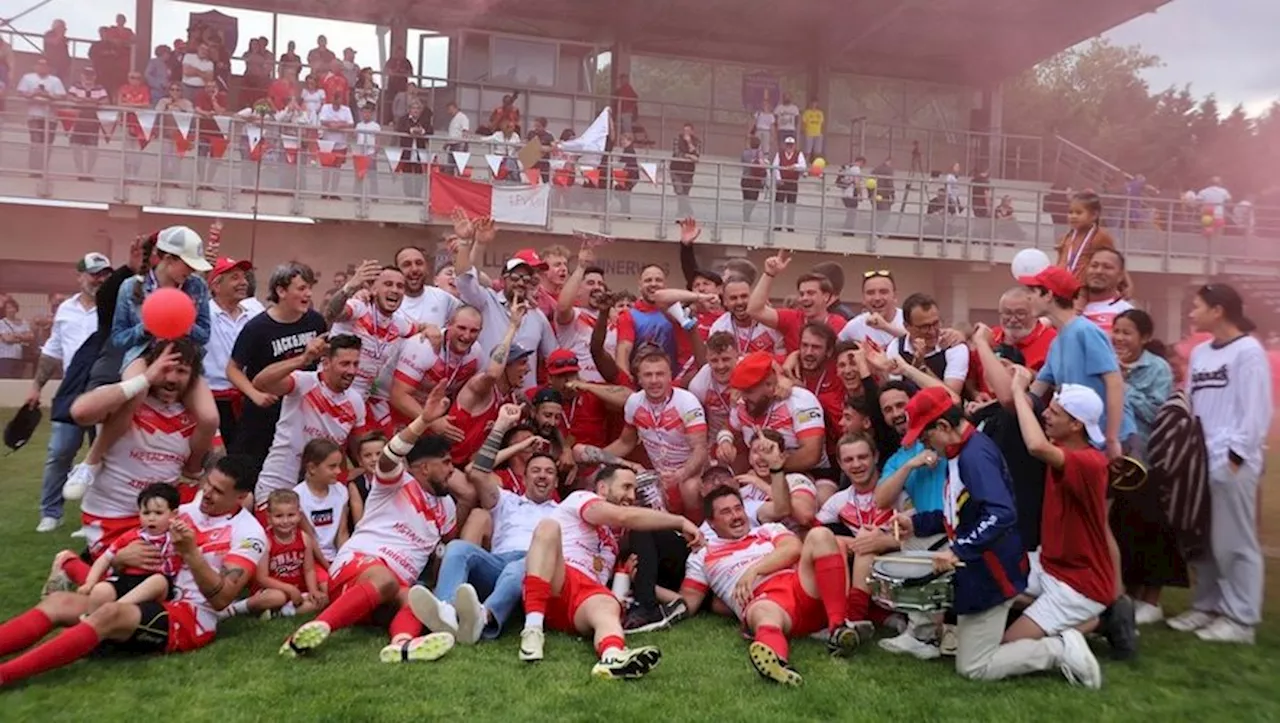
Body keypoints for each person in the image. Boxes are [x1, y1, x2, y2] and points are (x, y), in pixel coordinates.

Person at [893, 387, 1100, 688]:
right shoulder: (961, 450)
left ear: (943, 427)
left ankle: (1059, 649)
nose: (925, 445)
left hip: (991, 572)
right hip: (981, 568)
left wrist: (959, 550)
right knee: (969, 650)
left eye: (925, 438)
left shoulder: (973, 456)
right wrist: (919, 524)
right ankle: (924, 635)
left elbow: (1001, 513)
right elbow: (963, 512)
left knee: (973, 667)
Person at [0, 456, 264, 686]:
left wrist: (192, 555)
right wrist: (121, 558)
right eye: (207, 483)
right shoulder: (184, 510)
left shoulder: (249, 534)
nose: (206, 492)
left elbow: (221, 600)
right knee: (59, 601)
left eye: (218, 491)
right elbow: (132, 541)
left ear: (240, 497)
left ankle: (5, 675)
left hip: (190, 615)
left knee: (109, 613)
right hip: (145, 590)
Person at [279, 383, 458, 663]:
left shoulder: (447, 507)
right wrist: (424, 420)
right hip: (358, 568)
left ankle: (402, 645)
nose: (451, 469)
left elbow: (443, 552)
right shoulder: (397, 483)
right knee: (385, 579)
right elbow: (389, 456)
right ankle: (310, 631)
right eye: (446, 463)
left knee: (418, 598)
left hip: (385, 594)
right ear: (424, 467)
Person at [517, 464, 704, 678]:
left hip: (586, 596)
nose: (632, 495)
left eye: (634, 490)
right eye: (625, 487)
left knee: (607, 605)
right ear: (603, 488)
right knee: (547, 527)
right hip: (558, 576)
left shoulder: (615, 536)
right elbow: (624, 516)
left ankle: (612, 655)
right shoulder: (581, 499)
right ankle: (532, 630)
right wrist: (679, 521)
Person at [677, 485, 874, 687]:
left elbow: (793, 548)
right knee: (763, 611)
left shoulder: (768, 529)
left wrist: (755, 570)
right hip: (765, 600)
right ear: (711, 522)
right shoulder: (701, 555)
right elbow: (688, 601)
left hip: (799, 586)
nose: (736, 516)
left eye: (738, 508)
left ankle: (837, 628)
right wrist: (651, 593)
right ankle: (777, 664)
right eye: (726, 512)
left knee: (821, 535)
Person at [1169, 284, 1272, 644]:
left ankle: (1241, 618)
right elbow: (1192, 402)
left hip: (1231, 460)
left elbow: (1257, 410)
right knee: (1203, 539)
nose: (1191, 313)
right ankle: (1208, 604)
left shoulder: (1248, 352)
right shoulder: (1200, 353)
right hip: (1200, 457)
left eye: (1197, 307)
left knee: (1235, 541)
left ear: (1219, 310)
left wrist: (1237, 456)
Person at [409, 403, 560, 643]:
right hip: (497, 563)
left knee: (520, 565)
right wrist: (500, 427)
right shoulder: (508, 501)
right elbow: (477, 472)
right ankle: (446, 611)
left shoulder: (563, 511)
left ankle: (484, 617)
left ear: (556, 481)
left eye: (549, 472)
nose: (542, 475)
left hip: (533, 569)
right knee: (457, 548)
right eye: (536, 471)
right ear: (524, 476)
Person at [1009, 372, 1117, 667]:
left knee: (1009, 646)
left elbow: (1036, 445)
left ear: (1076, 424)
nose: (1045, 414)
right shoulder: (1068, 450)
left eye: (1054, 411)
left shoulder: (1089, 462)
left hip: (1078, 584)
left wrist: (1019, 392)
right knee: (990, 577)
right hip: (1049, 566)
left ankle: (1096, 623)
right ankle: (1093, 620)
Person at [1107, 309, 1182, 625]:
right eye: (1117, 331)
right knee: (1123, 529)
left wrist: (1123, 386)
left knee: (1150, 528)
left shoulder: (1158, 368)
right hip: (1116, 460)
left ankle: (1151, 600)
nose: (1120, 338)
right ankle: (1128, 594)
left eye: (1128, 332)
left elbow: (1158, 412)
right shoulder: (1107, 363)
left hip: (1148, 460)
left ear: (1145, 337)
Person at [32, 253, 114, 532]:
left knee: (103, 456)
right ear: (80, 277)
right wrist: (36, 387)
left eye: (105, 273)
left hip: (105, 389)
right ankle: (51, 512)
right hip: (72, 390)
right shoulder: (65, 310)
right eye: (94, 273)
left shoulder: (114, 308)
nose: (100, 279)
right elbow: (53, 350)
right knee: (61, 451)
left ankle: (94, 518)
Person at [227, 262, 328, 465]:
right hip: (264, 411)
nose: (308, 294)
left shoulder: (315, 321)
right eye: (301, 288)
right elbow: (233, 369)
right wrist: (254, 394)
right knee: (250, 467)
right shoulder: (257, 327)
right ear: (281, 291)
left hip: (301, 412)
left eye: (310, 288)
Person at [252, 334, 367, 504]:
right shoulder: (303, 382)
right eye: (344, 364)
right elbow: (260, 383)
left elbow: (361, 451)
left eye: (355, 364)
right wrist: (303, 359)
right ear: (326, 363)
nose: (351, 371)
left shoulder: (356, 402)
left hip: (320, 493)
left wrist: (348, 476)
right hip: (279, 482)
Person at [605, 350, 709, 518]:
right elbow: (626, 442)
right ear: (639, 379)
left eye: (659, 374)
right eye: (648, 375)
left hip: (691, 472)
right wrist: (598, 460)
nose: (654, 381)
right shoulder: (633, 403)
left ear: (670, 376)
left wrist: (681, 474)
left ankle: (697, 536)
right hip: (658, 474)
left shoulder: (687, 402)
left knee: (689, 488)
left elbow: (700, 449)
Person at [454, 222, 557, 390]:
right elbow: (465, 281)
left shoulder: (538, 316)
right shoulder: (486, 302)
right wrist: (468, 243)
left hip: (523, 400)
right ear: (502, 280)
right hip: (486, 395)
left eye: (526, 279)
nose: (520, 283)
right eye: (515, 277)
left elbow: (553, 356)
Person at [325, 262, 415, 431]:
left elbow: (421, 329)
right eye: (388, 284)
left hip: (359, 405)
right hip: (329, 398)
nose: (395, 290)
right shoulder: (359, 307)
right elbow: (331, 313)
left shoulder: (399, 324)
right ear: (373, 289)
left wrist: (431, 330)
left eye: (400, 286)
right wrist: (350, 287)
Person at [75, 483, 183, 612]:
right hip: (128, 580)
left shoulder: (178, 536)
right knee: (100, 590)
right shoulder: (131, 536)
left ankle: (111, 611)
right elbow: (105, 558)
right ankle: (91, 623)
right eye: (146, 513)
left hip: (158, 585)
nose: (151, 518)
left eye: (158, 513)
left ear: (174, 514)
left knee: (158, 581)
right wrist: (90, 583)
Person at [223, 489, 325, 619]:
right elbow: (262, 578)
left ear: (299, 515)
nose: (285, 521)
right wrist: (289, 589)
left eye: (291, 515)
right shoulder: (266, 541)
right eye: (279, 516)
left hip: (298, 589)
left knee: (322, 599)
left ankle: (282, 612)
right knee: (278, 597)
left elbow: (309, 569)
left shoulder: (304, 538)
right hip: (271, 590)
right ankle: (236, 608)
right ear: (269, 518)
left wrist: (313, 590)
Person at [391, 305, 484, 424]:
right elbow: (398, 396)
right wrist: (432, 423)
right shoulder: (423, 346)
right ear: (449, 324)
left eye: (474, 331)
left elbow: (467, 394)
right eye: (461, 328)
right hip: (398, 411)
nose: (466, 336)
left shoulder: (476, 354)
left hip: (433, 415)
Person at [203, 257, 259, 449]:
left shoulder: (254, 315)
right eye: (235, 278)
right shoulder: (204, 315)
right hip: (213, 399)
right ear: (216, 285)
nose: (244, 282)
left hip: (247, 398)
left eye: (244, 277)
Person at [747, 251, 844, 354]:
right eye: (802, 294)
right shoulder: (792, 319)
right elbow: (754, 310)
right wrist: (769, 274)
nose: (804, 298)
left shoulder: (840, 324)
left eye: (810, 293)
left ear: (826, 296)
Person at [884, 293, 969, 395]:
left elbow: (951, 397)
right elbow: (895, 394)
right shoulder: (896, 346)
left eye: (936, 323)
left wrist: (922, 368)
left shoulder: (954, 347)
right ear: (907, 326)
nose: (932, 331)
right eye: (924, 327)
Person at [294, 438, 351, 564]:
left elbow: (342, 533)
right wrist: (328, 567)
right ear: (312, 468)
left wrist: (343, 561)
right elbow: (310, 539)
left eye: (339, 465)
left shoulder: (341, 491)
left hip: (336, 557)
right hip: (311, 559)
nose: (338, 471)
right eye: (332, 467)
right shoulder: (297, 496)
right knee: (328, 584)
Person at [16, 56, 68, 173]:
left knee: (47, 143)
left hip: (51, 117)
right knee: (36, 141)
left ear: (49, 68)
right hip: (34, 115)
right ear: (35, 66)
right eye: (40, 64)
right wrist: (33, 93)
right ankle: (34, 169)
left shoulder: (55, 80)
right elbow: (21, 92)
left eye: (45, 64)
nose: (42, 67)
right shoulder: (27, 77)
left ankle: (43, 169)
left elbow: (62, 95)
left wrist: (48, 95)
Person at [1055, 191, 1117, 285]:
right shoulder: (1066, 238)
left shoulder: (1101, 237)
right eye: (1070, 212)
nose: (1073, 216)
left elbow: (1115, 261)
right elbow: (1060, 261)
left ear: (1094, 215)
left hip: (1085, 290)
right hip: (1063, 287)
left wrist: (1126, 283)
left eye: (1079, 213)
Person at [394, 245, 460, 329]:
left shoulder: (443, 298)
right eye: (407, 264)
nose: (414, 269)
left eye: (419, 263)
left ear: (426, 268)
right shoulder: (389, 302)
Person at [1080, 248, 1133, 334]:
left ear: (1120, 276)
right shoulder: (1068, 306)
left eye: (1107, 267)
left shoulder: (1126, 313)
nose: (1099, 271)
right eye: (1094, 265)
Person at [345, 431, 386, 528]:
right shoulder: (355, 485)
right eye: (367, 455)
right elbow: (359, 523)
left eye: (379, 454)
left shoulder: (398, 480)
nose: (374, 459)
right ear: (360, 461)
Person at [671, 123, 702, 218]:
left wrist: (689, 143)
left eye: (688, 131)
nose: (686, 133)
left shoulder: (697, 141)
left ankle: (682, 211)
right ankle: (687, 211)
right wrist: (688, 156)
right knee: (679, 191)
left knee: (685, 193)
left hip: (688, 172)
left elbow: (697, 155)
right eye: (684, 131)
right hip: (676, 170)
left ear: (692, 131)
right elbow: (677, 153)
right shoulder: (677, 139)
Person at [0, 298, 32, 378]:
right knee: (6, 381)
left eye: (12, 307)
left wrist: (15, 335)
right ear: (5, 310)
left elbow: (31, 336)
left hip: (19, 357)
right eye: (8, 308)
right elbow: (7, 339)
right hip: (5, 357)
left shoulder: (23, 322)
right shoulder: (2, 323)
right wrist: (22, 336)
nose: (11, 310)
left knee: (18, 380)